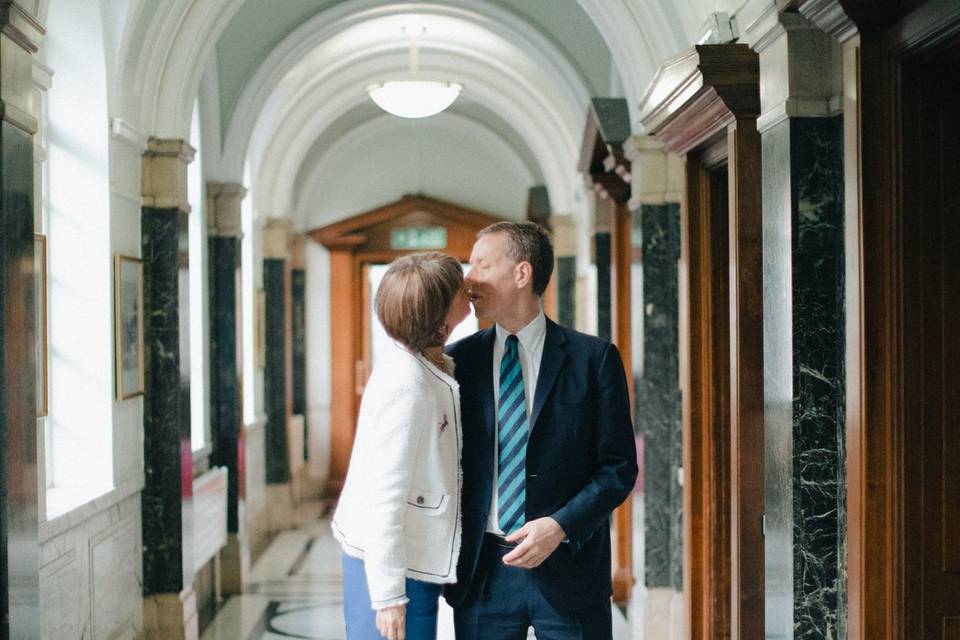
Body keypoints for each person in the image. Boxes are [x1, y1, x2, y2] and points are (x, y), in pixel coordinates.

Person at [445, 221, 638, 639]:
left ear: (521, 273)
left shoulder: (594, 359)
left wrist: (559, 526)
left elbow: (618, 468)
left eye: (481, 264)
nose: (468, 278)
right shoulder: (456, 363)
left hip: (571, 568)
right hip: (483, 573)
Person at [332, 252, 471, 640]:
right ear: (441, 315)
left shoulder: (426, 365)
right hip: (391, 571)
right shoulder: (407, 384)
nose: (471, 289)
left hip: (409, 564)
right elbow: (384, 497)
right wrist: (389, 597)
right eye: (461, 288)